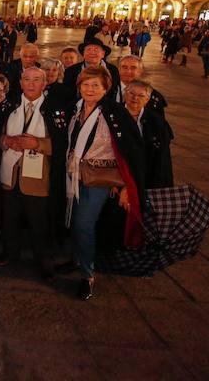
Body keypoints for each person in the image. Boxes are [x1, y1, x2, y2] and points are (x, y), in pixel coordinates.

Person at [67, 66, 144, 300]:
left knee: (84, 224)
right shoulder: (77, 108)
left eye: (95, 85)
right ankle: (78, 258)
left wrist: (126, 186)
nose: (89, 89)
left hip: (99, 179)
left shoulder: (115, 113)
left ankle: (87, 275)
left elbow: (132, 152)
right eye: (85, 84)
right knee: (73, 221)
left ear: (105, 88)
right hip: (73, 175)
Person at [0, 67, 69, 278]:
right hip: (11, 175)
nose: (31, 83)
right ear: (20, 83)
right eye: (26, 79)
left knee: (39, 221)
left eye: (36, 80)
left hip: (38, 179)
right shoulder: (10, 105)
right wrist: (5, 140)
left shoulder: (54, 109)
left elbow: (63, 145)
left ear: (44, 83)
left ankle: (43, 258)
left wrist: (38, 144)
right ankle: (10, 252)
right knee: (10, 218)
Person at [124, 79, 174, 190]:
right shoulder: (114, 114)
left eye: (141, 96)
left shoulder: (157, 122)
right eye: (131, 93)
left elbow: (162, 158)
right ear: (125, 94)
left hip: (147, 176)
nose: (135, 98)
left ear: (147, 99)